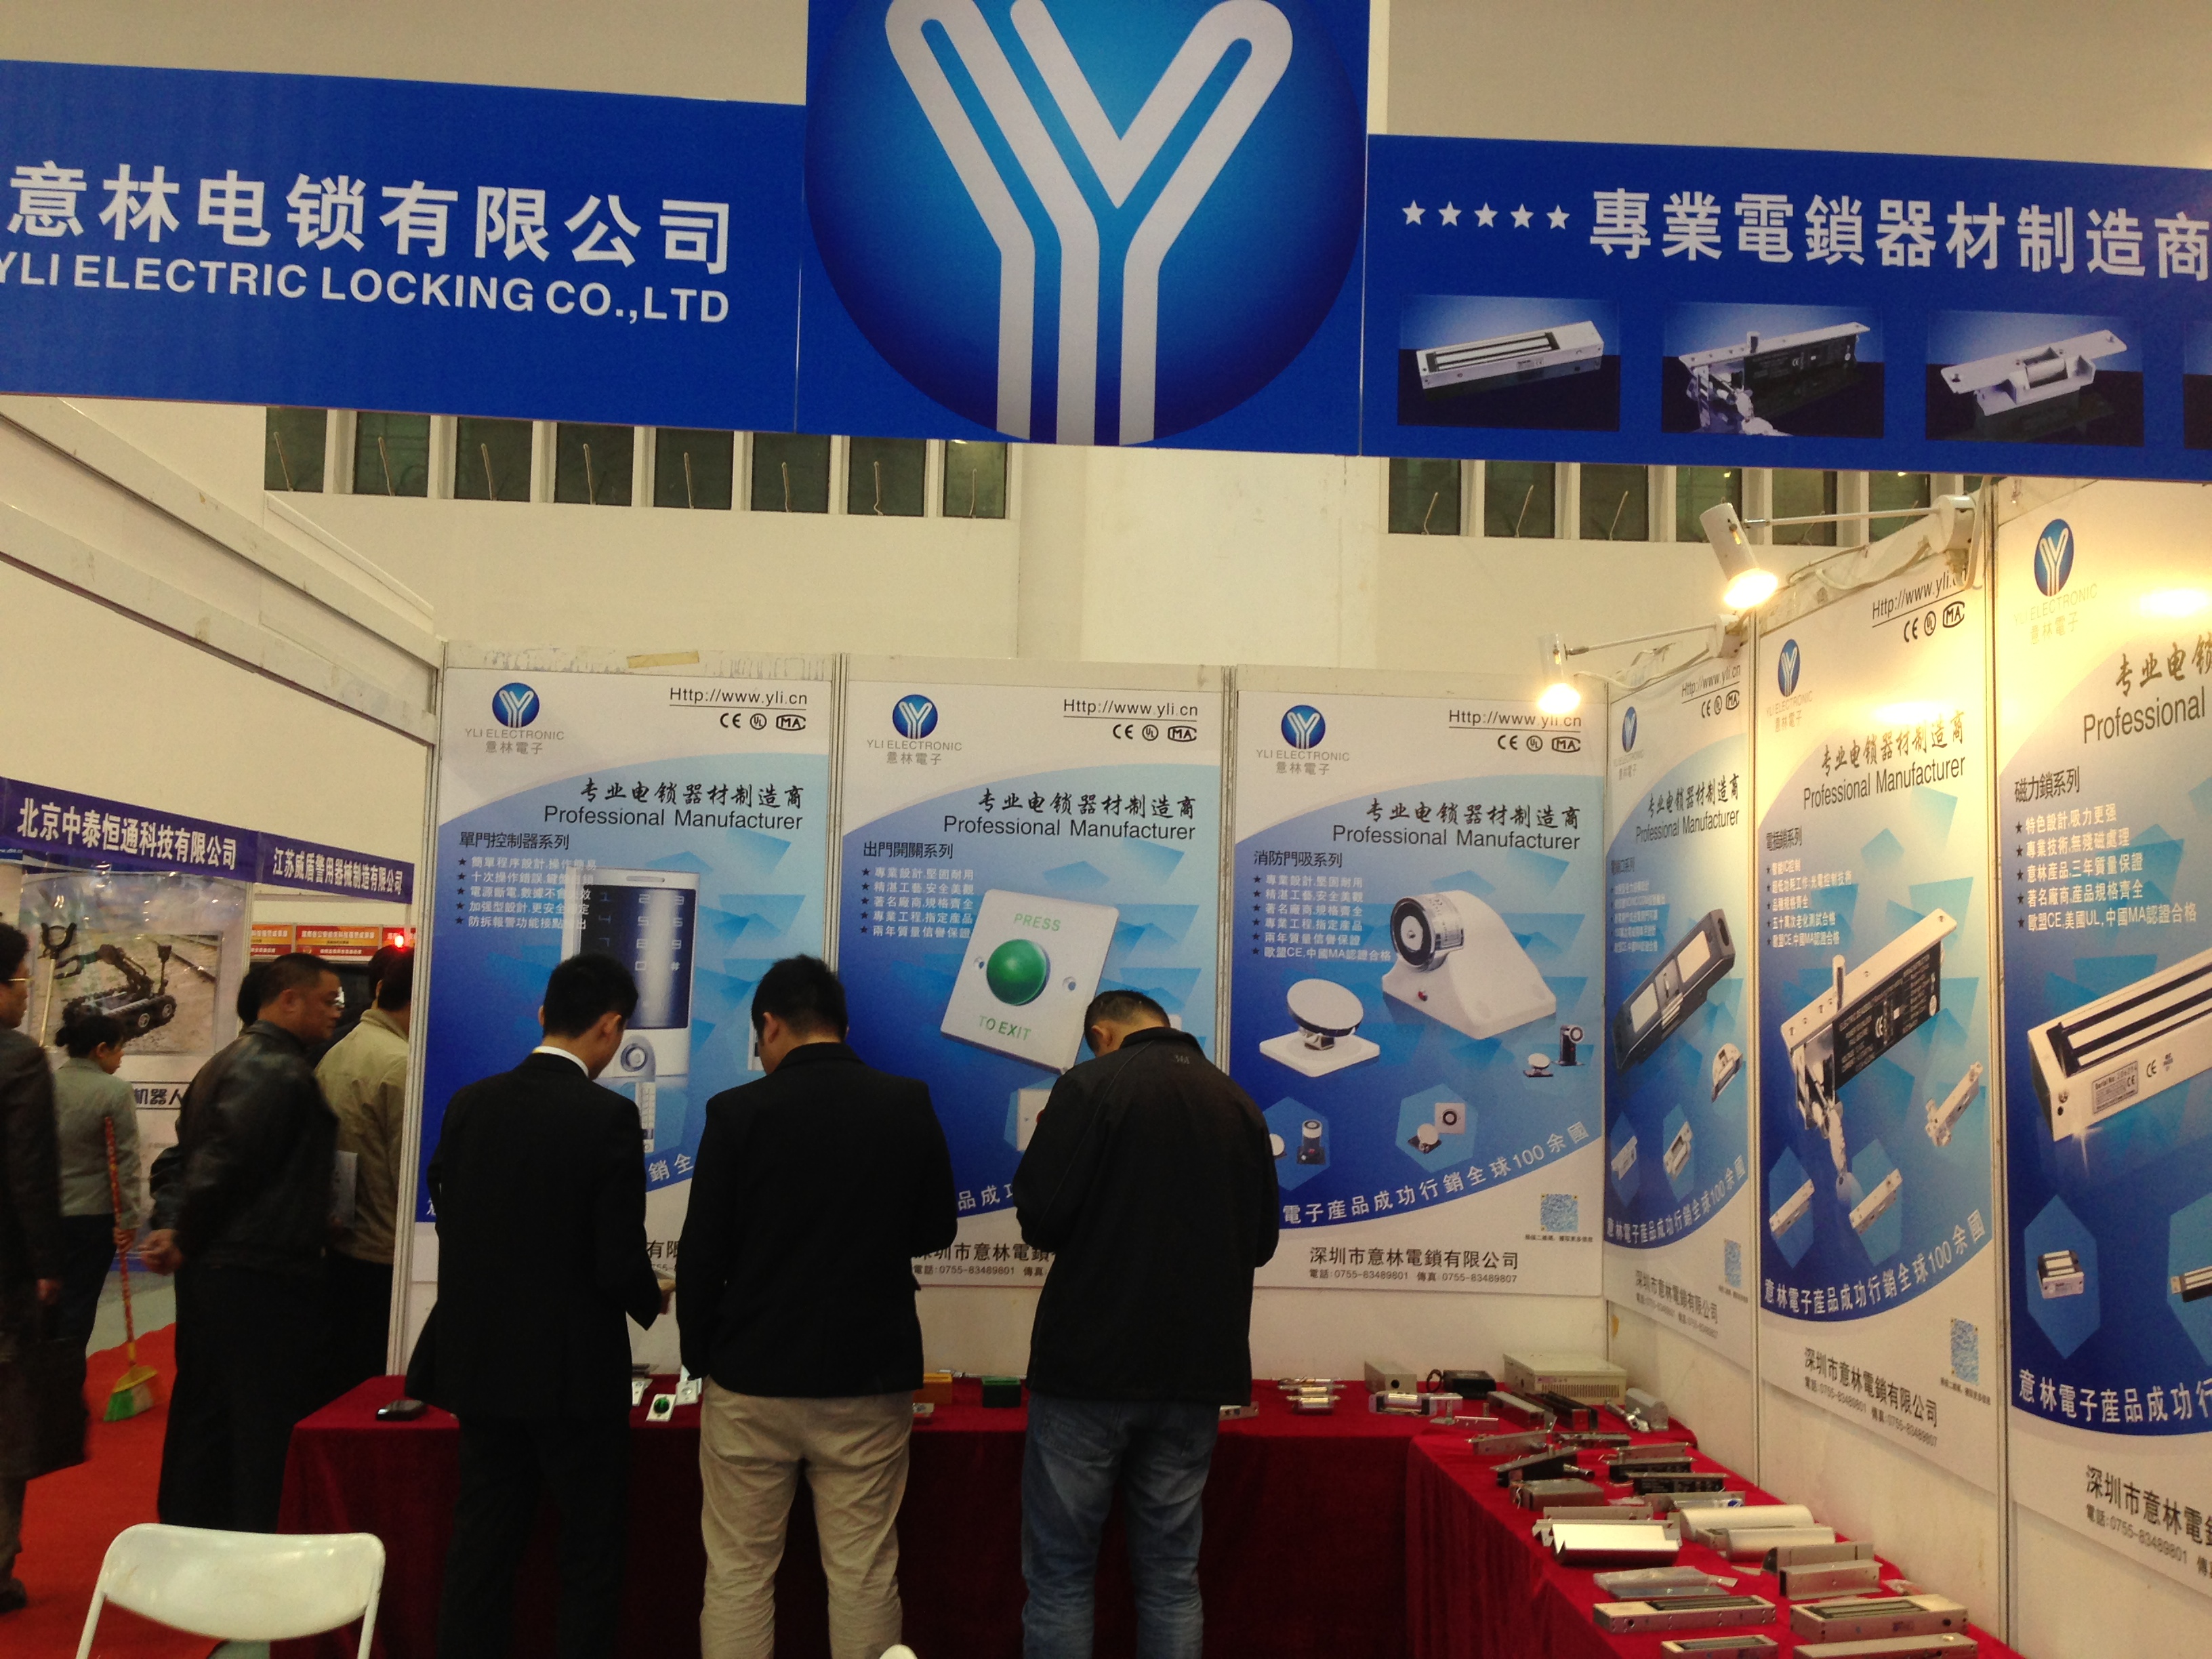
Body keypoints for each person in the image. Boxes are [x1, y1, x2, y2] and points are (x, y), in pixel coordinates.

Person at [679, 955, 956, 1659]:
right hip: (869, 1374)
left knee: (739, 1574)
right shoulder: (906, 1101)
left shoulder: (736, 1112)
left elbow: (701, 1255)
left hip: (751, 1375)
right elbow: (936, 1229)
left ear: (770, 1025)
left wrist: (700, 1359)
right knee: (863, 1573)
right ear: (843, 1027)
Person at [1010, 989, 1279, 1659]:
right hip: (1195, 1374)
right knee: (1170, 1579)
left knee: (1062, 1576)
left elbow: (1041, 1218)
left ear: (1103, 1034)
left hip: (1087, 1369)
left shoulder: (1090, 1087)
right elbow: (1262, 1243)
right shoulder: (1237, 1102)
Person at [419, 953, 667, 1659]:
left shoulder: (470, 1103)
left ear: (542, 1017)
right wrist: (653, 1296)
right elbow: (616, 1255)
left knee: (482, 1545)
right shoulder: (608, 1117)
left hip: (481, 1365)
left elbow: (453, 1213)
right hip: (572, 1376)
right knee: (588, 1552)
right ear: (611, 1026)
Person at [153, 951, 343, 1533]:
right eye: (327, 1000)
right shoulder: (274, 1070)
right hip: (258, 1275)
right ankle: (253, 1537)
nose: (337, 1011)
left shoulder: (231, 1062)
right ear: (288, 1000)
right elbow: (223, 1164)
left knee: (209, 1411)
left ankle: (194, 1529)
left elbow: (179, 1163)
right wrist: (184, 1233)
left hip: (226, 1270)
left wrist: (177, 1226)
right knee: (259, 1421)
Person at [0, 924, 65, 1614]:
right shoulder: (18, 1061)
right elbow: (29, 1170)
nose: (26, 996)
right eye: (22, 981)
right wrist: (47, 1262)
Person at [314, 943, 411, 1395]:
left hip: (345, 1245)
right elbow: (408, 1177)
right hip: (387, 1255)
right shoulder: (401, 1065)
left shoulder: (340, 1051)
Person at [49, 1009, 144, 1367]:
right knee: (79, 1302)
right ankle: (66, 1380)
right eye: (119, 1048)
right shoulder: (115, 1091)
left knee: (46, 1300)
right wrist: (130, 1220)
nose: (122, 1056)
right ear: (100, 1050)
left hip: (45, 1214)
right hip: (93, 1217)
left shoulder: (44, 1085)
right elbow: (126, 1161)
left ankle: (38, 1381)